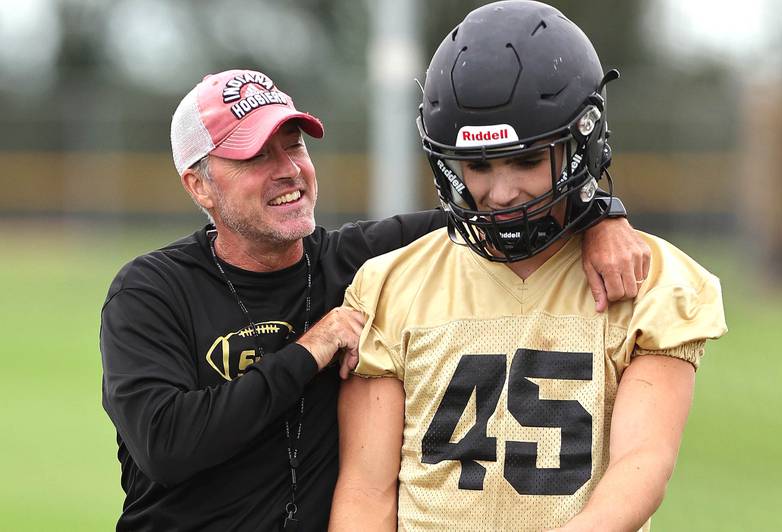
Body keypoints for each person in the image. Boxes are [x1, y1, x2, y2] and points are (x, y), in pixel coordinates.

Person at [100, 67, 650, 531]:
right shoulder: (150, 291)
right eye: (253, 158)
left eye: (292, 145)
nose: (287, 170)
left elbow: (503, 213)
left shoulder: (362, 261)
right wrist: (309, 349)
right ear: (198, 185)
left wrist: (602, 214)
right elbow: (166, 444)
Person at [329, 2, 728, 531]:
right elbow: (365, 493)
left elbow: (642, 467)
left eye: (526, 160)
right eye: (477, 166)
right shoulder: (391, 284)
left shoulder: (647, 282)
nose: (502, 193)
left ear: (581, 143)